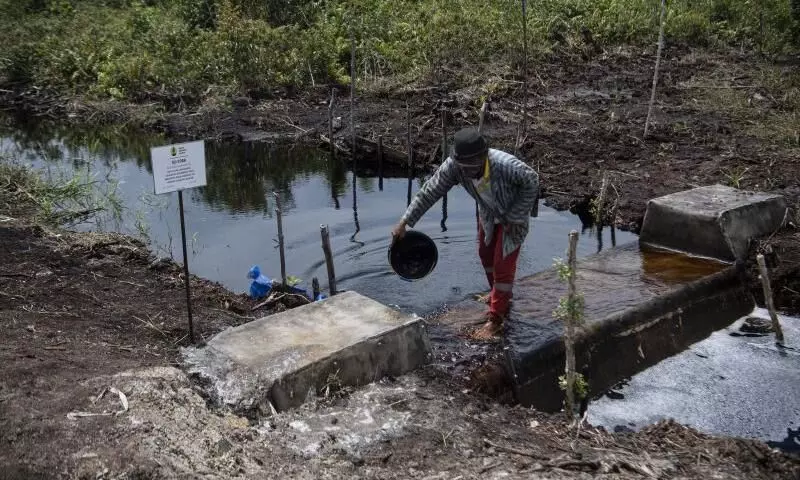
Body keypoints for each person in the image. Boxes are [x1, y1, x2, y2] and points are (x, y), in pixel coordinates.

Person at [392, 127, 539, 339]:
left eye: (474, 165)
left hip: (513, 216)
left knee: (502, 264)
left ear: (484, 156)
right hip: (488, 212)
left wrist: (515, 215)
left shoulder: (505, 165)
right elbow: (430, 190)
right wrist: (404, 222)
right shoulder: (454, 166)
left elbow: (532, 180)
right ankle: (498, 296)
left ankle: (496, 320)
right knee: (485, 254)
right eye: (465, 167)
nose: (469, 172)